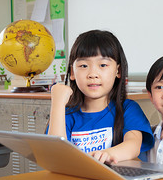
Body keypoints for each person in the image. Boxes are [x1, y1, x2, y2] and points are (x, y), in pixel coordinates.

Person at [47, 30, 154, 164]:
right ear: (72, 72)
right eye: (83, 66)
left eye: (103, 65)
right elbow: (56, 156)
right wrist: (57, 102)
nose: (93, 74)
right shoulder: (66, 114)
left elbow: (133, 146)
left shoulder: (128, 109)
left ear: (118, 71)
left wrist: (105, 155)